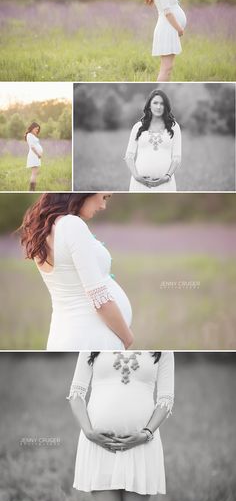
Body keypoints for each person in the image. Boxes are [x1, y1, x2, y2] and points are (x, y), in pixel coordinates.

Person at [19, 193, 133, 351]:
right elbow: (99, 297)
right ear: (83, 193)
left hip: (64, 334)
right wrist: (127, 338)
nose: (103, 206)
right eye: (104, 197)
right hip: (91, 337)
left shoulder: (47, 228)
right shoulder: (72, 225)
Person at [67, 350, 174, 501]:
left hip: (141, 446)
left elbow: (165, 399)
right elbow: (76, 394)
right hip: (100, 445)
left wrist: (146, 434)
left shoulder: (163, 352)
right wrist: (89, 432)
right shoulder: (92, 345)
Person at [125, 89, 181, 191]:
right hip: (139, 184)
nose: (158, 107)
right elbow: (129, 156)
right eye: (155, 103)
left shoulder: (174, 127)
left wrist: (167, 176)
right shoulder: (138, 127)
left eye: (162, 104)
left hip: (166, 184)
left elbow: (176, 157)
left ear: (166, 106)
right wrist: (136, 176)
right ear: (149, 105)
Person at [145, 0, 187, 81]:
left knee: (168, 68)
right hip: (167, 29)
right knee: (166, 68)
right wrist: (179, 29)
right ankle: (158, 92)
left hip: (168, 29)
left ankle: (163, 91)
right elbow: (167, 12)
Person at [25, 122, 43, 191]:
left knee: (35, 173)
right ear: (32, 128)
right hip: (34, 155)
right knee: (34, 173)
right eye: (36, 129)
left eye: (38, 129)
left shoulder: (32, 135)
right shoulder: (29, 135)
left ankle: (32, 189)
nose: (37, 130)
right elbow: (32, 146)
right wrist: (38, 154)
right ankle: (31, 189)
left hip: (36, 156)